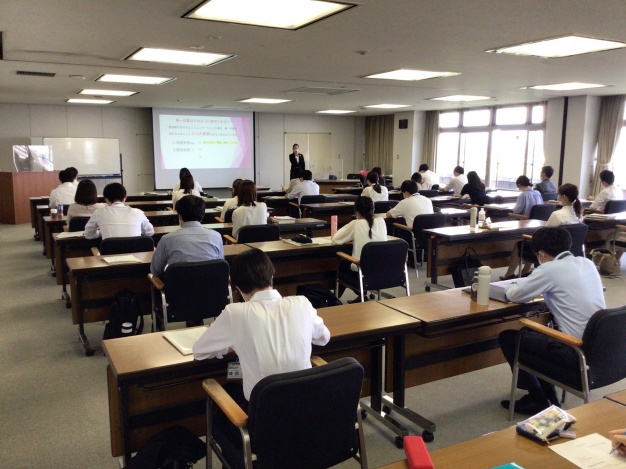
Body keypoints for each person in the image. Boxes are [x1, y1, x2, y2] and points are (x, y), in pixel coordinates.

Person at [192, 248, 330, 401]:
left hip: (265, 413)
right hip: (308, 406)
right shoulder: (302, 303)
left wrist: (229, 345)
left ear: (237, 287)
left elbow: (199, 351)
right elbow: (324, 338)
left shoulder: (235, 313)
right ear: (272, 276)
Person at [498, 227, 605, 415]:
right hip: (598, 349)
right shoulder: (586, 263)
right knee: (537, 336)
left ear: (541, 254)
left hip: (574, 351)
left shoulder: (549, 269)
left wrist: (511, 287)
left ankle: (538, 400)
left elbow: (515, 295)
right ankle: (549, 395)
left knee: (509, 338)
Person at [500, 183, 583, 279]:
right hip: (570, 251)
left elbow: (544, 234)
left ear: (563, 197)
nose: (558, 197)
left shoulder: (557, 214)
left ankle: (509, 275)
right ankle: (525, 271)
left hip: (551, 252)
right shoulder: (578, 215)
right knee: (533, 242)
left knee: (521, 244)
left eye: (559, 194)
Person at [150, 195, 224, 277]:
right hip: (210, 284)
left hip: (179, 285)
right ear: (202, 216)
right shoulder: (217, 236)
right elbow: (220, 265)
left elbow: (155, 270)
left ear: (180, 215)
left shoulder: (166, 239)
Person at [333, 196, 387, 301]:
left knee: (342, 264)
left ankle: (335, 299)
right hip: (381, 268)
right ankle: (362, 294)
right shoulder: (381, 221)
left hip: (362, 269)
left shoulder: (356, 223)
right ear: (373, 210)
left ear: (356, 212)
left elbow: (336, 238)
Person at [84, 182, 154, 239]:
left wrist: (100, 232)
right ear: (125, 198)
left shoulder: (99, 213)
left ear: (106, 199)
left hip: (110, 252)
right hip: (135, 252)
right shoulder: (138, 212)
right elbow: (150, 232)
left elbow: (88, 235)